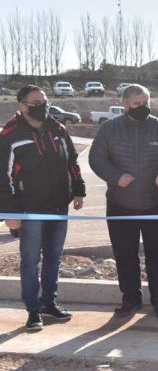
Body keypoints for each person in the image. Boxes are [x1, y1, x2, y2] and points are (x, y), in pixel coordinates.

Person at [89, 84, 158, 318]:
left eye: (145, 103)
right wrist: (115, 176)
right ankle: (131, 299)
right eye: (137, 104)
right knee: (125, 255)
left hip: (154, 204)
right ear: (125, 104)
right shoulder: (109, 129)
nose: (142, 107)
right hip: (120, 205)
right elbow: (96, 159)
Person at [0, 85, 86, 331]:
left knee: (53, 257)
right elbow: (3, 177)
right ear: (22, 105)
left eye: (44, 101)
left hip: (59, 205)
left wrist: (78, 189)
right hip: (29, 209)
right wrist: (9, 213)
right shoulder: (10, 134)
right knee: (30, 259)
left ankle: (49, 303)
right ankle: (33, 310)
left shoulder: (57, 129)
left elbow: (71, 160)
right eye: (36, 102)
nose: (43, 106)